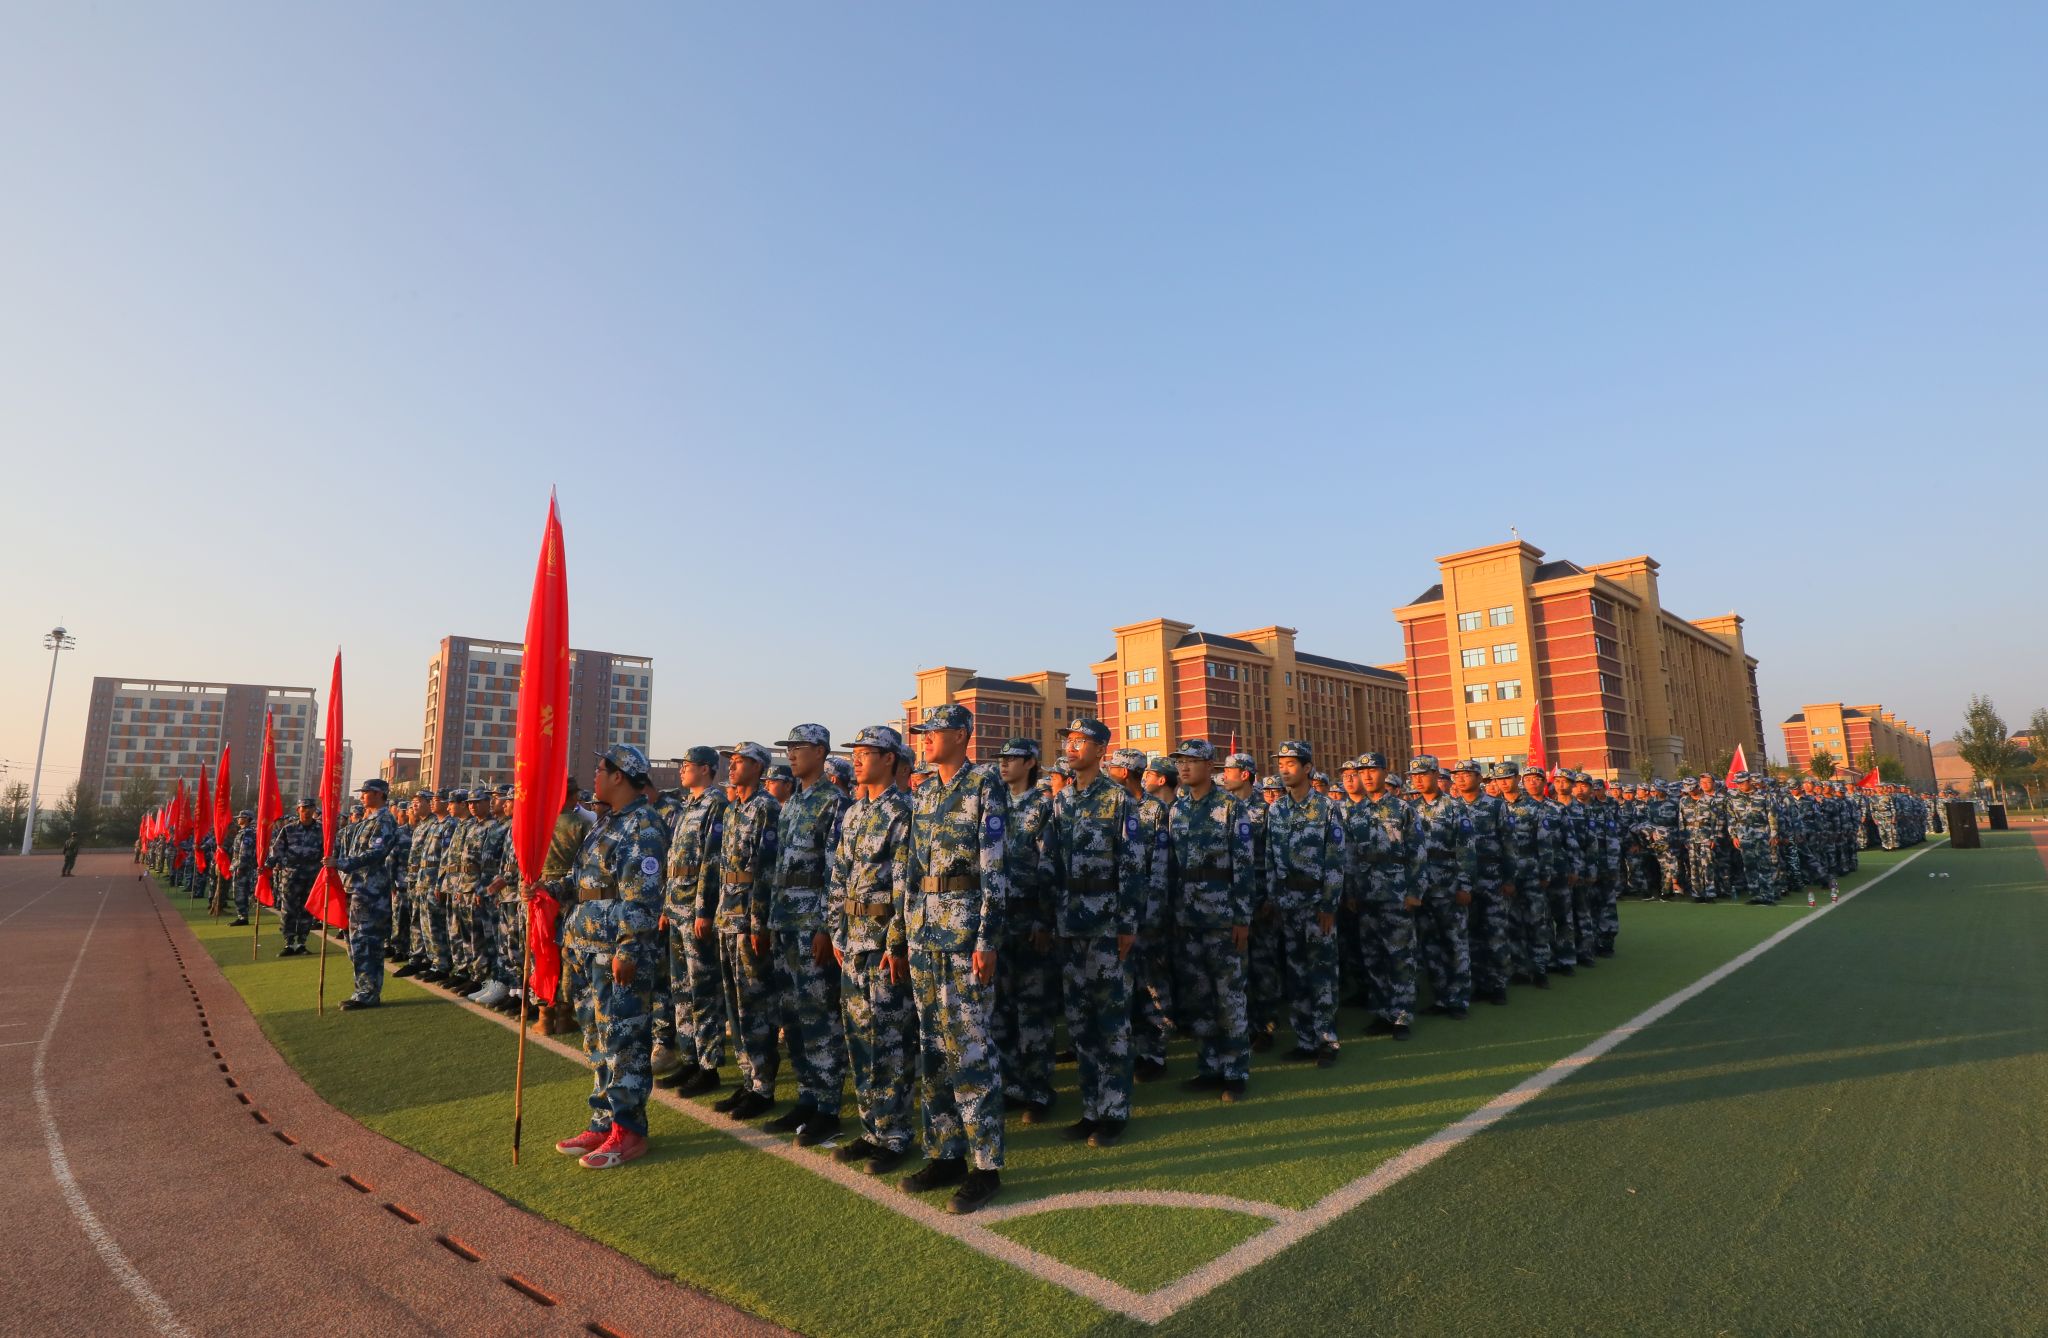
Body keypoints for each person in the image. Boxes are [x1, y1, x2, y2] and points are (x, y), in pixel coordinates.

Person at [898, 702, 1008, 1214]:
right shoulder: (924, 792)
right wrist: (904, 934)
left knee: (970, 1050)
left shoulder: (984, 785)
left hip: (964, 938)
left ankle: (985, 1165)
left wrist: (987, 939)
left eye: (935, 731)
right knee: (933, 1050)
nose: (926, 738)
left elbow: (995, 868)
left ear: (962, 735)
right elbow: (912, 870)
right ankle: (945, 1153)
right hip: (925, 938)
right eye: (924, 732)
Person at [553, 745, 667, 1171]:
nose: (595, 775)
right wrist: (548, 890)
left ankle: (628, 1131)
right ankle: (603, 1121)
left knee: (624, 1042)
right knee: (597, 1040)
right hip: (586, 945)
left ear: (620, 776)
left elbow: (642, 897)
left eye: (601, 769)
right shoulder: (607, 822)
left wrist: (628, 948)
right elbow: (584, 880)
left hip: (615, 951)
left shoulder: (644, 826)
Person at [1046, 717, 1142, 1146]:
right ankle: (1090, 1108)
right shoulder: (1062, 800)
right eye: (1069, 741)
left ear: (1101, 750)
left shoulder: (1118, 799)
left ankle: (1114, 1109)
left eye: (1080, 741)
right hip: (1070, 922)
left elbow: (1132, 865)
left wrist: (1127, 924)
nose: (1071, 747)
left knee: (1110, 1018)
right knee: (1080, 1019)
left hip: (1106, 922)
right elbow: (1051, 862)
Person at [828, 725, 918, 1175]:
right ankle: (871, 1129)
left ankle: (895, 1133)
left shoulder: (903, 811)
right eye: (856, 753)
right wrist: (836, 932)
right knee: (859, 1039)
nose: (858, 759)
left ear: (889, 759)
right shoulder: (853, 812)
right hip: (853, 942)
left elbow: (906, 887)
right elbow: (838, 877)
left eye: (867, 752)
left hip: (883, 944)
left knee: (890, 1041)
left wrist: (896, 942)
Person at [762, 724, 850, 1146]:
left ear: (820, 751)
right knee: (793, 1016)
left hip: (810, 923)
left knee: (819, 1016)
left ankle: (828, 1107)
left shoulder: (835, 802)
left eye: (798, 747)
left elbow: (835, 872)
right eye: (789, 748)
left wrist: (825, 927)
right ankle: (807, 1096)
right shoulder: (794, 802)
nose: (791, 754)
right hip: (784, 921)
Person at [1165, 738, 1254, 1101]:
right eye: (1180, 761)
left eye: (1191, 761)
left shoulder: (1231, 808)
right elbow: (1171, 865)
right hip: (1187, 917)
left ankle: (1235, 1071)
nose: (1184, 767)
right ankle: (1208, 1067)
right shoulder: (1177, 809)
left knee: (1229, 997)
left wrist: (1242, 917)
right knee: (1198, 996)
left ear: (1210, 767)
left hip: (1222, 917)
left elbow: (1244, 866)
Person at [710, 742, 783, 1119]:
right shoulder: (734, 808)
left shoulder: (766, 808)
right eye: (732, 761)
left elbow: (767, 870)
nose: (732, 766)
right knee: (734, 1005)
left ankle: (763, 1085)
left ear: (758, 767)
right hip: (727, 915)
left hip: (748, 919)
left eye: (740, 762)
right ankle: (747, 1078)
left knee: (755, 1003)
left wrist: (759, 922)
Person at [653, 747, 729, 1095]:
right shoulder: (688, 806)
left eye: (687, 765)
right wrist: (667, 906)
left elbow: (711, 862)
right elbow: (674, 860)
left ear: (706, 769)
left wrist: (703, 910)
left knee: (703, 990)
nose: (682, 770)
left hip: (696, 912)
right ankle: (689, 1058)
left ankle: (708, 1066)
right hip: (677, 908)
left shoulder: (715, 804)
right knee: (681, 989)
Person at [991, 737, 1058, 1123]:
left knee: (1033, 1009)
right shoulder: (993, 804)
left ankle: (1038, 1090)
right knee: (1000, 1008)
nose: (1004, 764)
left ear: (1030, 763)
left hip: (1029, 919)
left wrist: (1044, 920)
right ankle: (1011, 1085)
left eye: (1012, 758)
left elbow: (1049, 867)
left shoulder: (1043, 807)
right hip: (997, 921)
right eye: (1001, 758)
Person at [1267, 741, 1345, 1067]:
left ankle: (1326, 1040)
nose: (1284, 769)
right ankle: (1304, 1040)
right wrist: (1273, 897)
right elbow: (1270, 857)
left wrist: (1329, 904)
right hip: (1288, 904)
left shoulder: (1327, 808)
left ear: (1307, 767)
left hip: (1316, 903)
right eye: (1280, 764)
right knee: (1296, 974)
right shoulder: (1276, 809)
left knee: (1321, 972)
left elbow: (1336, 858)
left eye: (1291, 763)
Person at [331, 779, 400, 1010]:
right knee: (355, 943)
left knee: (367, 943)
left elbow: (376, 852)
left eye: (366, 793)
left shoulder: (384, 820)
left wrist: (343, 863)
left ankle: (367, 993)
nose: (362, 797)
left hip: (370, 891)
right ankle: (363, 989)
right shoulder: (365, 821)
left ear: (380, 794)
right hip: (356, 887)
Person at [266, 798, 325, 956]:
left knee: (307, 909)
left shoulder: (322, 830)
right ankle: (289, 943)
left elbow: (327, 850)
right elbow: (277, 849)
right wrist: (268, 865)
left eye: (310, 808)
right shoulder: (288, 829)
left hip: (312, 875)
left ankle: (301, 943)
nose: (307, 811)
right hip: (291, 876)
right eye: (303, 808)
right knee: (288, 909)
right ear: (298, 810)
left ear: (314, 810)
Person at [227, 809, 257, 925]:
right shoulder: (242, 832)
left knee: (240, 893)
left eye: (240, 817)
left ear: (247, 819)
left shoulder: (248, 833)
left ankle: (243, 917)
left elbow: (245, 852)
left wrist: (240, 867)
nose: (238, 819)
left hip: (243, 868)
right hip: (239, 866)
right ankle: (242, 916)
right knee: (239, 893)